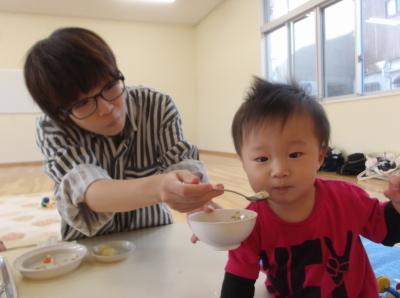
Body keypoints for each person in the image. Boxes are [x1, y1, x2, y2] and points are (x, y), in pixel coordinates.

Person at [24, 27, 223, 241]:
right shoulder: (53, 127)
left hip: (154, 235)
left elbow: (181, 160)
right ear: (61, 114)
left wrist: (192, 194)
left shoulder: (156, 105)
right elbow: (88, 189)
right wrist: (160, 187)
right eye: (82, 103)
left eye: (110, 85)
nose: (107, 108)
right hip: (88, 246)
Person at [219, 78, 400, 297]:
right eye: (262, 158)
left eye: (294, 155)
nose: (279, 170)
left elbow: (388, 232)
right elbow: (238, 281)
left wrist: (397, 207)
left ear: (320, 156)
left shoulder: (346, 198)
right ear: (243, 162)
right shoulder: (250, 223)